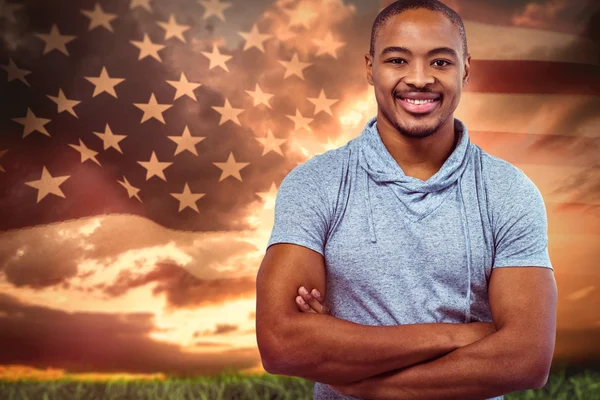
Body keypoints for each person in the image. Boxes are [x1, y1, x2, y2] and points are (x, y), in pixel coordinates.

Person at [255, 1, 557, 399]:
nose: (419, 79)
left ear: (466, 68)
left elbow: (526, 358)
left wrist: (363, 381)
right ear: (369, 66)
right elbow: (281, 343)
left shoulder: (508, 192)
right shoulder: (316, 184)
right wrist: (458, 336)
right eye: (398, 60)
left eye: (441, 63)